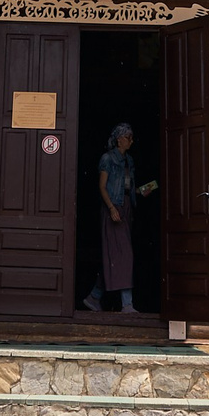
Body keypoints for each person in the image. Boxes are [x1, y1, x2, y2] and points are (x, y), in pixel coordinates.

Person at [81, 123, 141, 312]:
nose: (131, 140)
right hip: (112, 210)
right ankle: (127, 303)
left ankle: (94, 297)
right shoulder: (107, 159)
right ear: (119, 139)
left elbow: (128, 187)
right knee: (125, 256)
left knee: (114, 256)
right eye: (128, 137)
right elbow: (102, 186)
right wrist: (111, 208)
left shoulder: (128, 160)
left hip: (125, 208)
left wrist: (139, 192)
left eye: (131, 137)